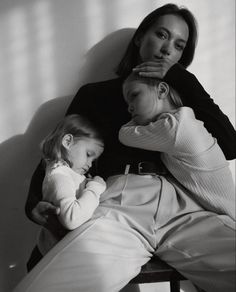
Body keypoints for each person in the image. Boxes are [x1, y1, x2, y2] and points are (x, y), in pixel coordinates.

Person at [15, 3, 236, 292]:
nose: (168, 48)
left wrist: (181, 77)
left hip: (184, 207)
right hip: (119, 204)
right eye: (161, 35)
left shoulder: (183, 97)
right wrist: (34, 203)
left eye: (179, 46)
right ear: (140, 38)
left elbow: (229, 146)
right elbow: (59, 151)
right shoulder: (96, 95)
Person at [119, 72, 235, 220]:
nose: (129, 108)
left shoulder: (174, 129)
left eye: (134, 95)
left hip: (228, 217)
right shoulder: (185, 119)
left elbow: (124, 135)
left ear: (162, 90)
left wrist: (138, 120)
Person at [37, 114, 106, 255]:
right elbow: (72, 218)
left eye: (94, 160)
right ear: (68, 141)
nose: (90, 164)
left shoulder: (67, 173)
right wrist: (94, 188)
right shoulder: (59, 176)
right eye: (88, 154)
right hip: (61, 253)